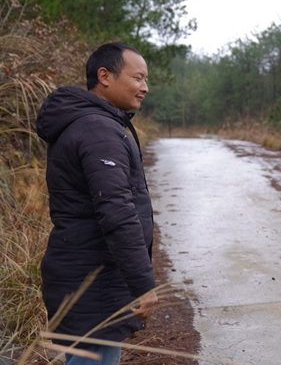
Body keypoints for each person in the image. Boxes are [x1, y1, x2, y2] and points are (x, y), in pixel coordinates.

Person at [36, 42, 158, 365]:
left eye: (146, 80)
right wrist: (144, 285)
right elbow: (117, 212)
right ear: (105, 76)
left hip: (90, 277)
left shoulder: (90, 123)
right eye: (138, 78)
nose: (145, 87)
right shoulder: (97, 130)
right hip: (94, 282)